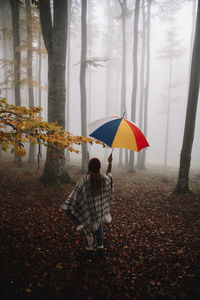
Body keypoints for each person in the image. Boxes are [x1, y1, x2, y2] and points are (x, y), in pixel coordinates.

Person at [59, 153, 113, 258]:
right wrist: (110, 163)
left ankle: (89, 250)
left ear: (89, 167)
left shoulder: (83, 180)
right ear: (99, 167)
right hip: (98, 211)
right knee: (99, 228)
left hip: (87, 211)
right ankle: (100, 249)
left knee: (87, 230)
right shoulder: (103, 179)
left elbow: (74, 193)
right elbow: (109, 178)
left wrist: (65, 206)